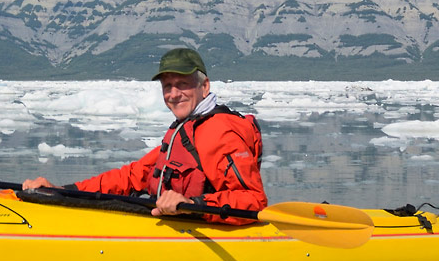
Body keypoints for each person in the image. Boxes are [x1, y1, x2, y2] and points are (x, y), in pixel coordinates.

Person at [22, 48, 267, 224]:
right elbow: (133, 176)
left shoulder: (220, 130)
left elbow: (253, 199)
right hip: (173, 222)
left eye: (182, 84)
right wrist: (63, 190)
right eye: (167, 86)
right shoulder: (185, 128)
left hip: (200, 226)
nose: (173, 94)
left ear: (204, 87)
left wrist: (192, 205)